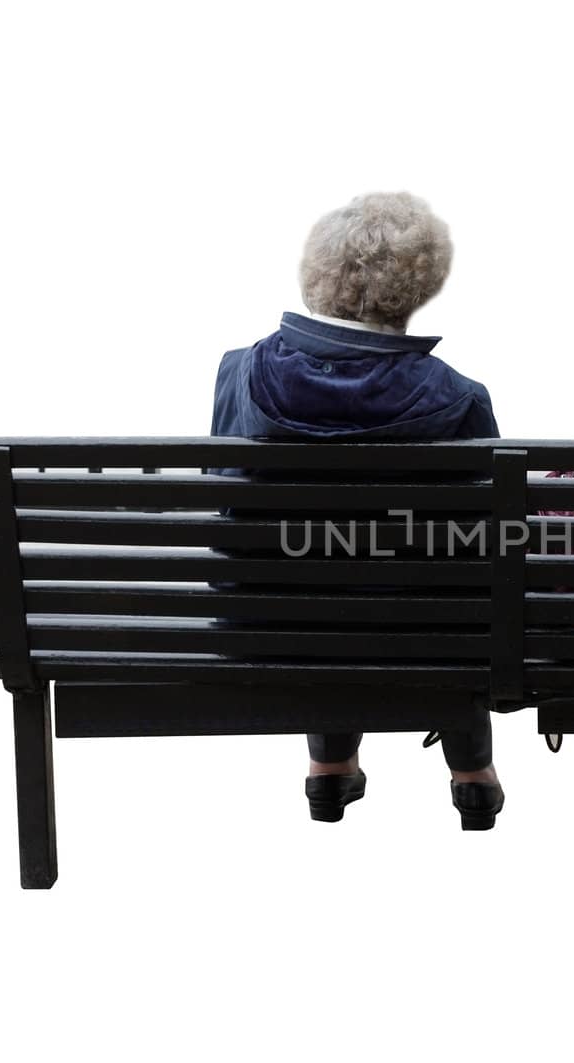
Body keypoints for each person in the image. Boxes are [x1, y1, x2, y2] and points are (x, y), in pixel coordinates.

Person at [209, 192, 506, 830]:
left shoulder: (238, 373)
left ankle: (329, 769)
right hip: (426, 632)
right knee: (439, 593)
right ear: (419, 282)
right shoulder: (459, 398)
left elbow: (225, 502)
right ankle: (472, 775)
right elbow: (482, 544)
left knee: (318, 580)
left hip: (267, 624)